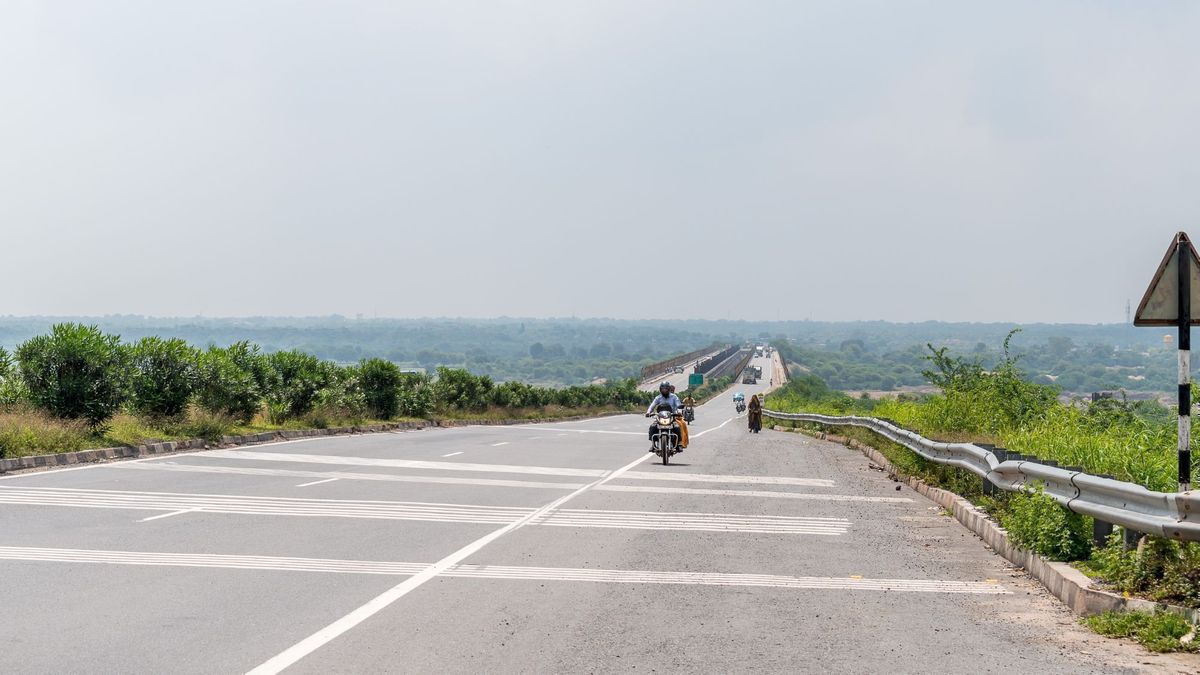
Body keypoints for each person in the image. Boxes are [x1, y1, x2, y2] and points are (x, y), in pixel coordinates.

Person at [646, 381, 686, 451]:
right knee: (652, 427)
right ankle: (653, 444)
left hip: (671, 417)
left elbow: (678, 405)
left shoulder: (674, 397)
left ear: (669, 389)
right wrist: (648, 412)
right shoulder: (658, 398)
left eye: (666, 389)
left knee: (677, 427)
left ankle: (678, 444)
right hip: (660, 417)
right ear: (660, 389)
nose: (664, 390)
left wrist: (679, 412)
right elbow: (652, 405)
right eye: (663, 389)